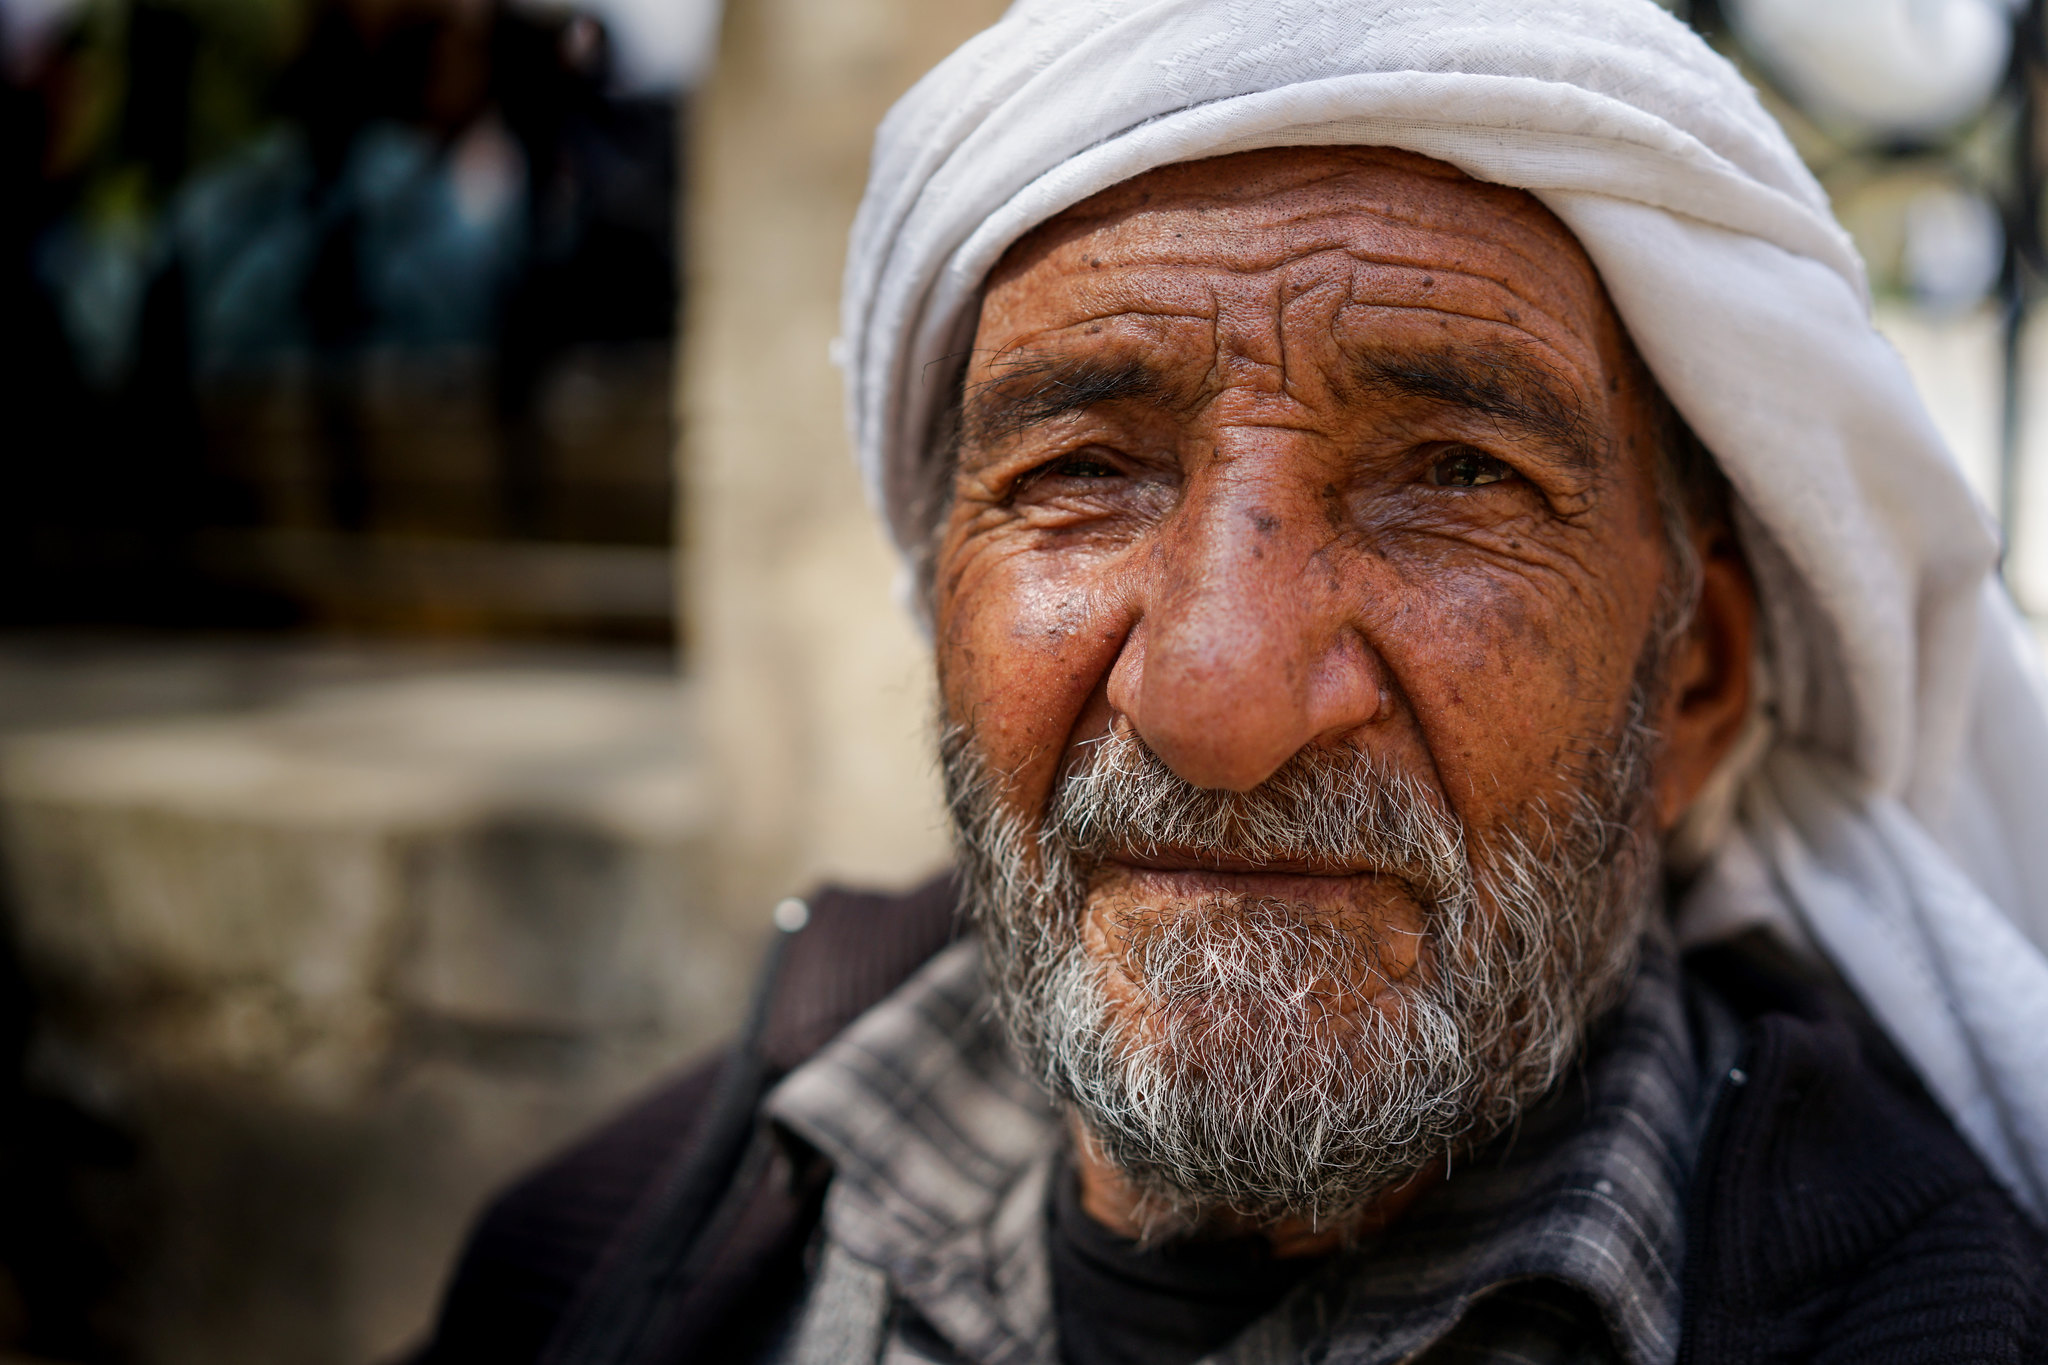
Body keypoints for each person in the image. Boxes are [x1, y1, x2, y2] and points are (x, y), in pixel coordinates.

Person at [410, 2, 2048, 1362]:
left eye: (1455, 476)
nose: (1219, 696)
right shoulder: (602, 1254)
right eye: (1084, 471)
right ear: (949, 598)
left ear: (1696, 680)